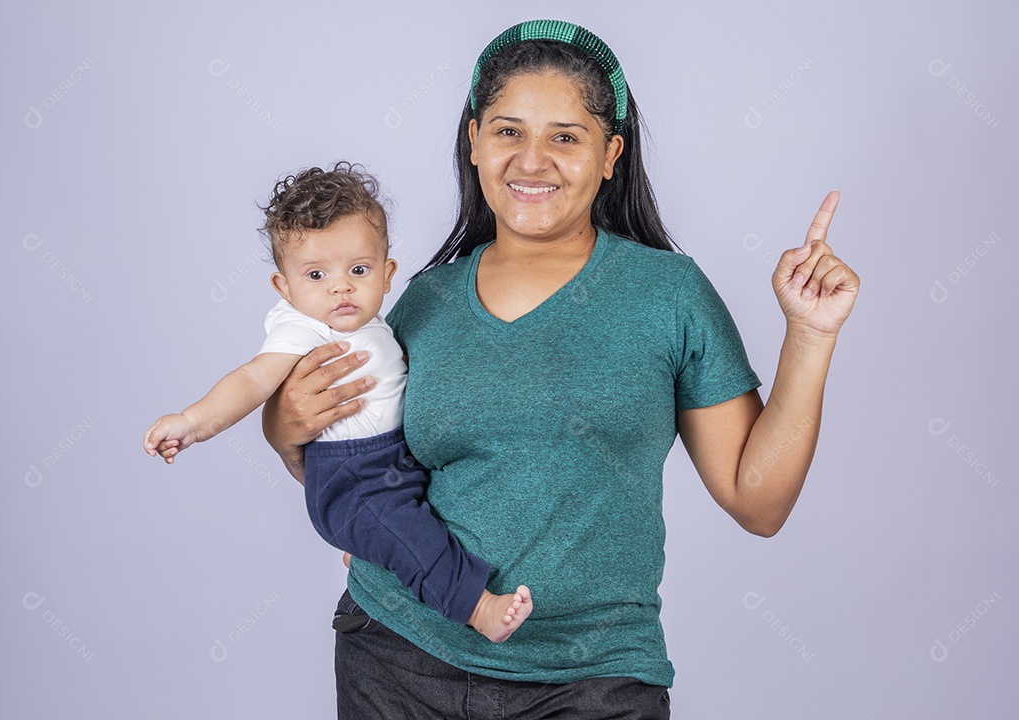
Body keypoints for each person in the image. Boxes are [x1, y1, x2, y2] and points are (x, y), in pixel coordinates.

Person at [262, 19, 860, 719]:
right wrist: (282, 427)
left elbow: (758, 504)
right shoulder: (423, 302)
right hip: (398, 656)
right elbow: (359, 463)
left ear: (611, 154)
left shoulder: (669, 296)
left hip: (592, 678)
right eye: (508, 131)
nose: (532, 160)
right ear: (475, 141)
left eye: (566, 138)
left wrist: (810, 335)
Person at [142, 162, 532, 642]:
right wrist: (192, 422)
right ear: (284, 288)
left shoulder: (375, 323)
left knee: (411, 523)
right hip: (353, 475)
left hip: (393, 459)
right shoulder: (301, 327)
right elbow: (252, 379)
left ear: (387, 274)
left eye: (359, 270)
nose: (340, 286)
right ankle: (477, 607)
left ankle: (367, 544)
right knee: (414, 539)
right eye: (315, 274)